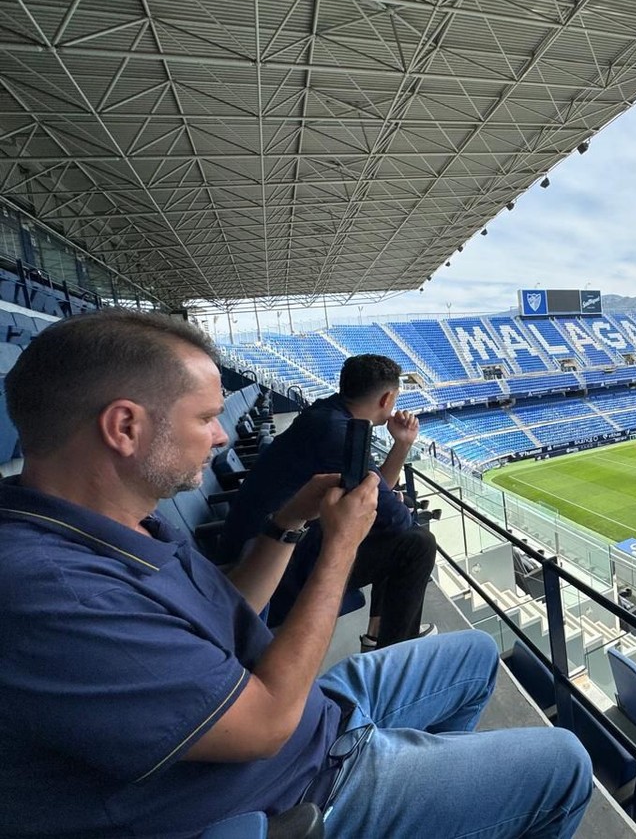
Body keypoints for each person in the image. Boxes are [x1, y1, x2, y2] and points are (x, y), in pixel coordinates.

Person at [0, 311, 591, 838]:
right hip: (296, 787)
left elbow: (227, 608)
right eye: (205, 416)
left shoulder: (119, 521)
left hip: (311, 718)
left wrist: (287, 524)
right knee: (565, 763)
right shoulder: (52, 590)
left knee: (475, 655)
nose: (221, 433)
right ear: (125, 428)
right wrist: (339, 545)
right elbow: (266, 726)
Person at [222, 354, 435, 650]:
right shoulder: (338, 433)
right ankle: (395, 653)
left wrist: (402, 444)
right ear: (388, 398)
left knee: (392, 524)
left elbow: (379, 493)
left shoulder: (327, 414)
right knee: (417, 543)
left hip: (262, 548)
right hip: (266, 574)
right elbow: (395, 519)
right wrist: (391, 505)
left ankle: (377, 635)